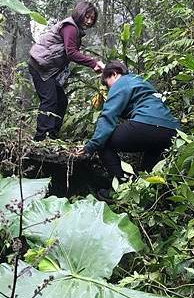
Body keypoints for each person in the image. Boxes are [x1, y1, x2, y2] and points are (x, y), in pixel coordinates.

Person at [77, 60, 180, 197]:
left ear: (114, 74)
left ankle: (121, 189)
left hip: (147, 124)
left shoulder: (122, 82)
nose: (109, 89)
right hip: (170, 131)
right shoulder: (140, 81)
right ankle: (142, 193)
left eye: (108, 84)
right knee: (150, 161)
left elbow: (108, 116)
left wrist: (91, 145)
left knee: (104, 143)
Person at [28, 0, 105, 141]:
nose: (89, 21)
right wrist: (93, 63)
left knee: (61, 100)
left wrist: (93, 64)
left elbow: (68, 53)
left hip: (48, 68)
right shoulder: (70, 27)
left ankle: (52, 135)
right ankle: (40, 138)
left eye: (92, 19)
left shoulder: (75, 29)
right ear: (79, 13)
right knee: (49, 100)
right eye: (86, 17)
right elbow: (71, 53)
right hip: (40, 66)